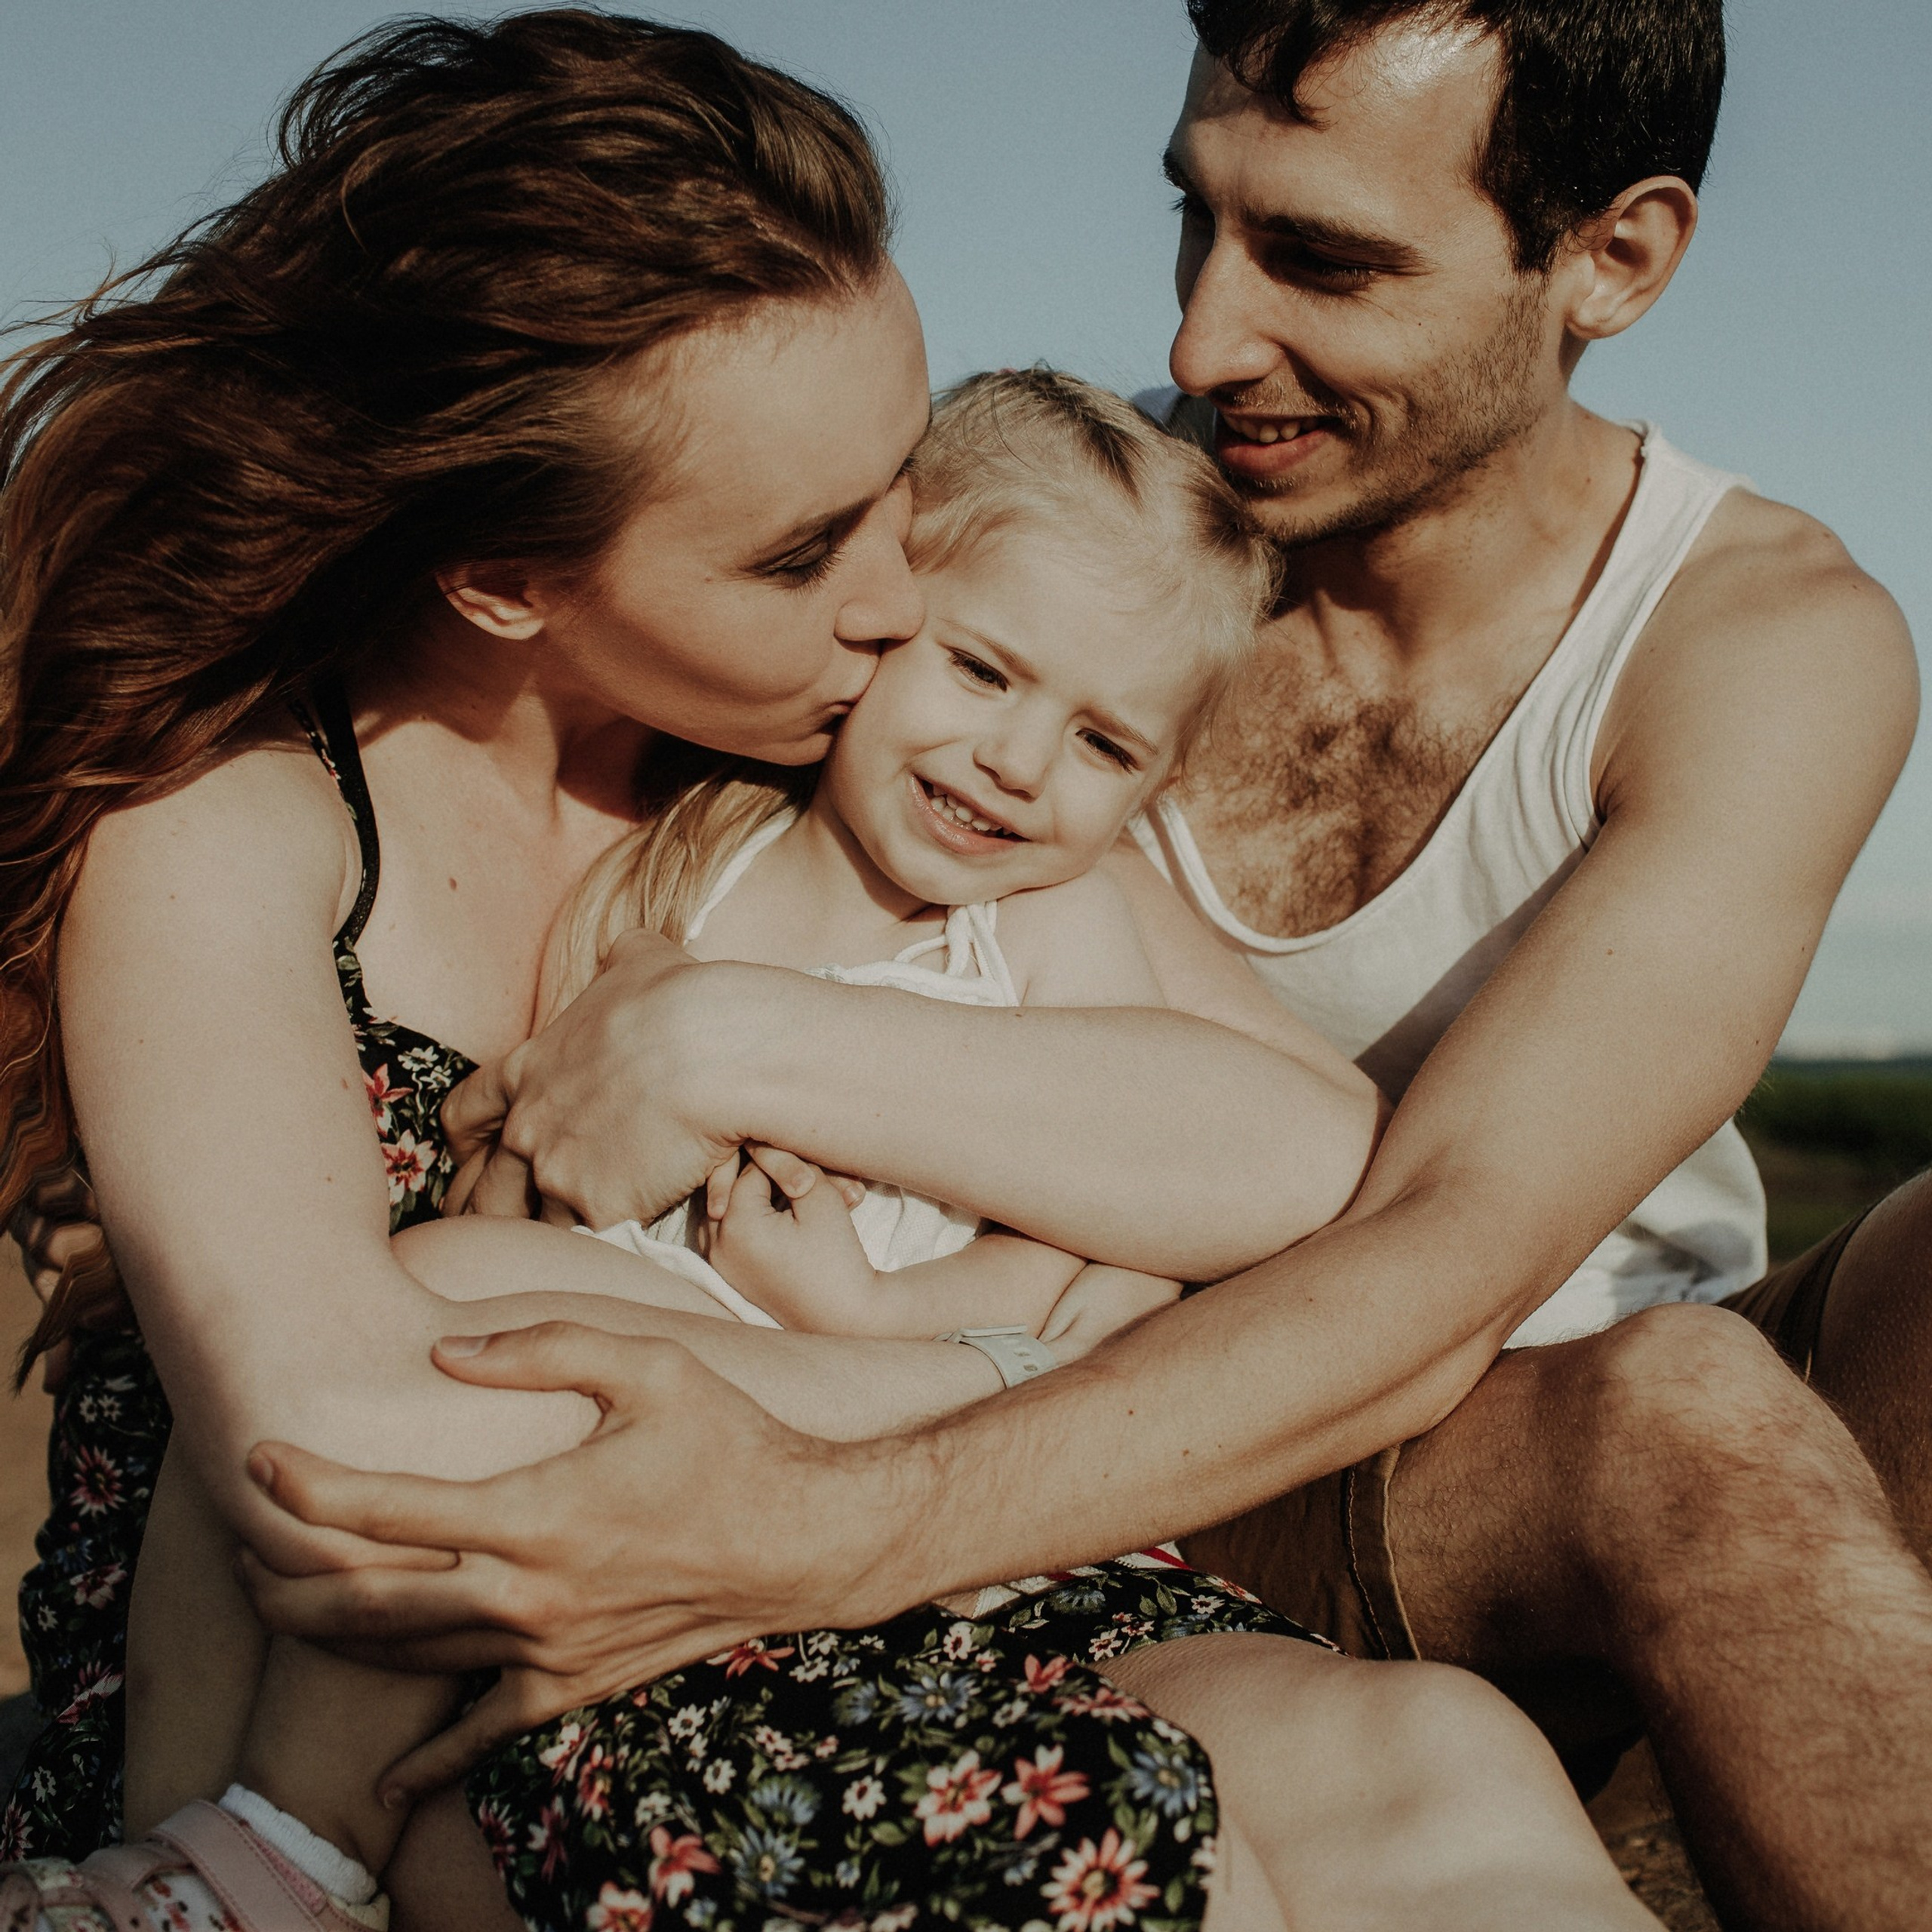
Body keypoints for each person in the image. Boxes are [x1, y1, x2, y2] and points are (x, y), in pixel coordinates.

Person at [227, 5, 1932, 1930]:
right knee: (1677, 1411)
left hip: (1463, 1359)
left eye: (1323, 259)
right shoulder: (1087, 551)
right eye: (1196, 220)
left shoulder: (1756, 637)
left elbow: (1448, 1238)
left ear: (1608, 258)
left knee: (1728, 1360)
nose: (1204, 344)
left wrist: (750, 1098)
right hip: (1176, 1402)